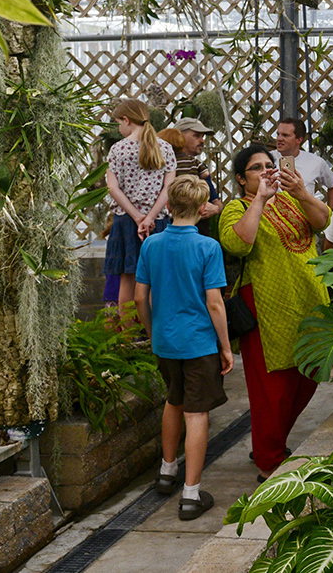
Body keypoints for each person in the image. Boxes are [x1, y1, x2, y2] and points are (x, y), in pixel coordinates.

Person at [219, 144, 332, 480]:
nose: (266, 170)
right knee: (272, 390)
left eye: (270, 164)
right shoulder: (234, 208)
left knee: (308, 379)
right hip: (267, 309)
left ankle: (272, 442)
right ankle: (269, 460)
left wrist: (300, 191)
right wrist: (260, 199)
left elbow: (322, 221)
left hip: (308, 302)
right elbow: (240, 243)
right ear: (241, 179)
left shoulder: (292, 199)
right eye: (256, 168)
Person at [133, 176, 231, 521]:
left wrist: (152, 329)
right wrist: (226, 347)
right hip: (198, 342)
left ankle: (167, 470)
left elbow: (140, 296)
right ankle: (190, 495)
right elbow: (215, 303)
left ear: (170, 207)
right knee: (197, 413)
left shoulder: (152, 245)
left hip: (165, 340)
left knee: (174, 400)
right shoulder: (208, 248)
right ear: (203, 209)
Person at [105, 99, 176, 317]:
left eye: (118, 122)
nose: (119, 128)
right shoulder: (164, 147)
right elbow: (169, 188)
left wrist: (137, 217)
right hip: (158, 222)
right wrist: (150, 217)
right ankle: (156, 336)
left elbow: (112, 187)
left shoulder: (118, 149)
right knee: (157, 279)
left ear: (126, 120)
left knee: (127, 278)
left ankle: (128, 339)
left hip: (126, 221)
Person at [171, 117, 224, 237]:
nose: (202, 141)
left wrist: (215, 209)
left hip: (200, 234)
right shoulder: (166, 166)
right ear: (179, 136)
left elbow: (217, 202)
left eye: (203, 137)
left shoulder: (199, 168)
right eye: (197, 136)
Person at [271, 117, 333, 206]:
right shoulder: (266, 159)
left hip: (305, 217)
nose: (279, 139)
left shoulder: (315, 162)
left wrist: (329, 214)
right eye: (278, 134)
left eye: (285, 135)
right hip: (272, 217)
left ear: (299, 139)